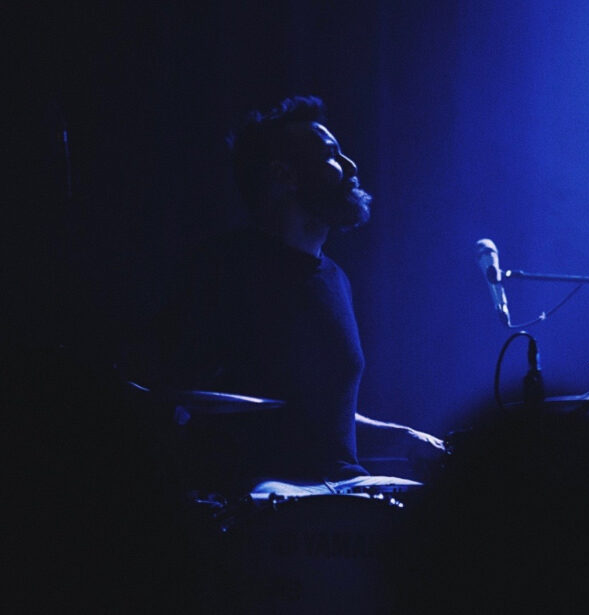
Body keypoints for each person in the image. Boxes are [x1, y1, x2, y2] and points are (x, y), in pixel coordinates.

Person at [123, 95, 443, 496]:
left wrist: (405, 438)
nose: (350, 166)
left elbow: (321, 418)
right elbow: (172, 387)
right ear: (283, 175)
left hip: (344, 487)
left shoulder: (337, 279)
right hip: (265, 495)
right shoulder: (225, 267)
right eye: (331, 154)